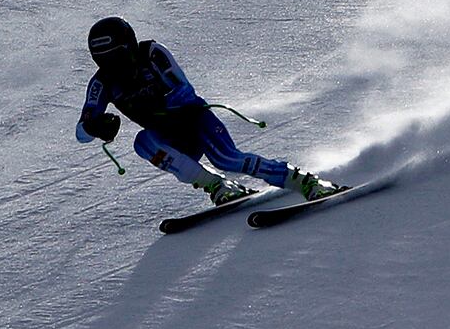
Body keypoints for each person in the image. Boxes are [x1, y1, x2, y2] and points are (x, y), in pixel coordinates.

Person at [75, 16, 343, 205]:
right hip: (171, 138)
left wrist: (158, 104)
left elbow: (184, 90)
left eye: (117, 56)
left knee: (229, 160)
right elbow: (81, 132)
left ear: (130, 47)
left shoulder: (152, 53)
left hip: (194, 120)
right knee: (143, 142)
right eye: (104, 60)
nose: (113, 66)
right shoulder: (102, 82)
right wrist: (94, 126)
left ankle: (305, 181)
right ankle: (218, 186)